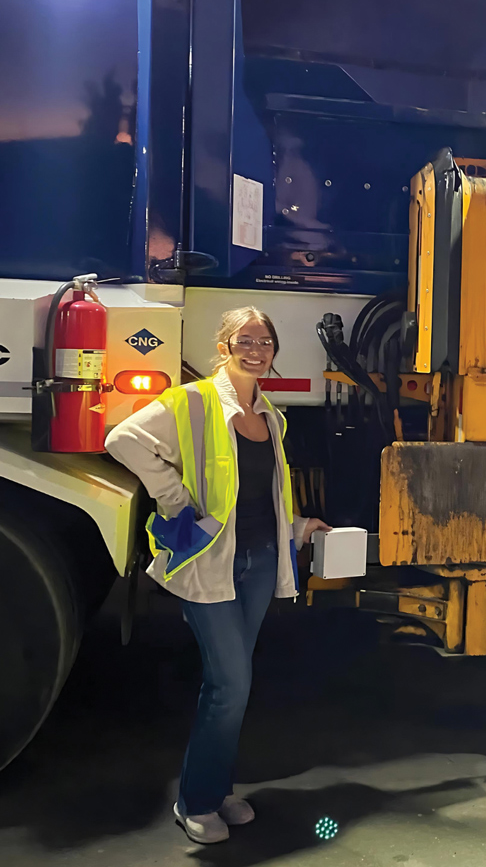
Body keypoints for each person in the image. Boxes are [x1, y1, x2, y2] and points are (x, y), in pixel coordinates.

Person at [105, 307, 330, 844]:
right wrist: (174, 496)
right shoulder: (193, 401)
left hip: (256, 562)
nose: (257, 349)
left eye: (266, 341)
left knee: (230, 685)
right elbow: (122, 439)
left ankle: (215, 788)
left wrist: (298, 526)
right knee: (231, 684)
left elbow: (262, 492)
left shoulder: (271, 416)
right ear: (225, 344)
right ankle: (195, 802)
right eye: (245, 339)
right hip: (210, 561)